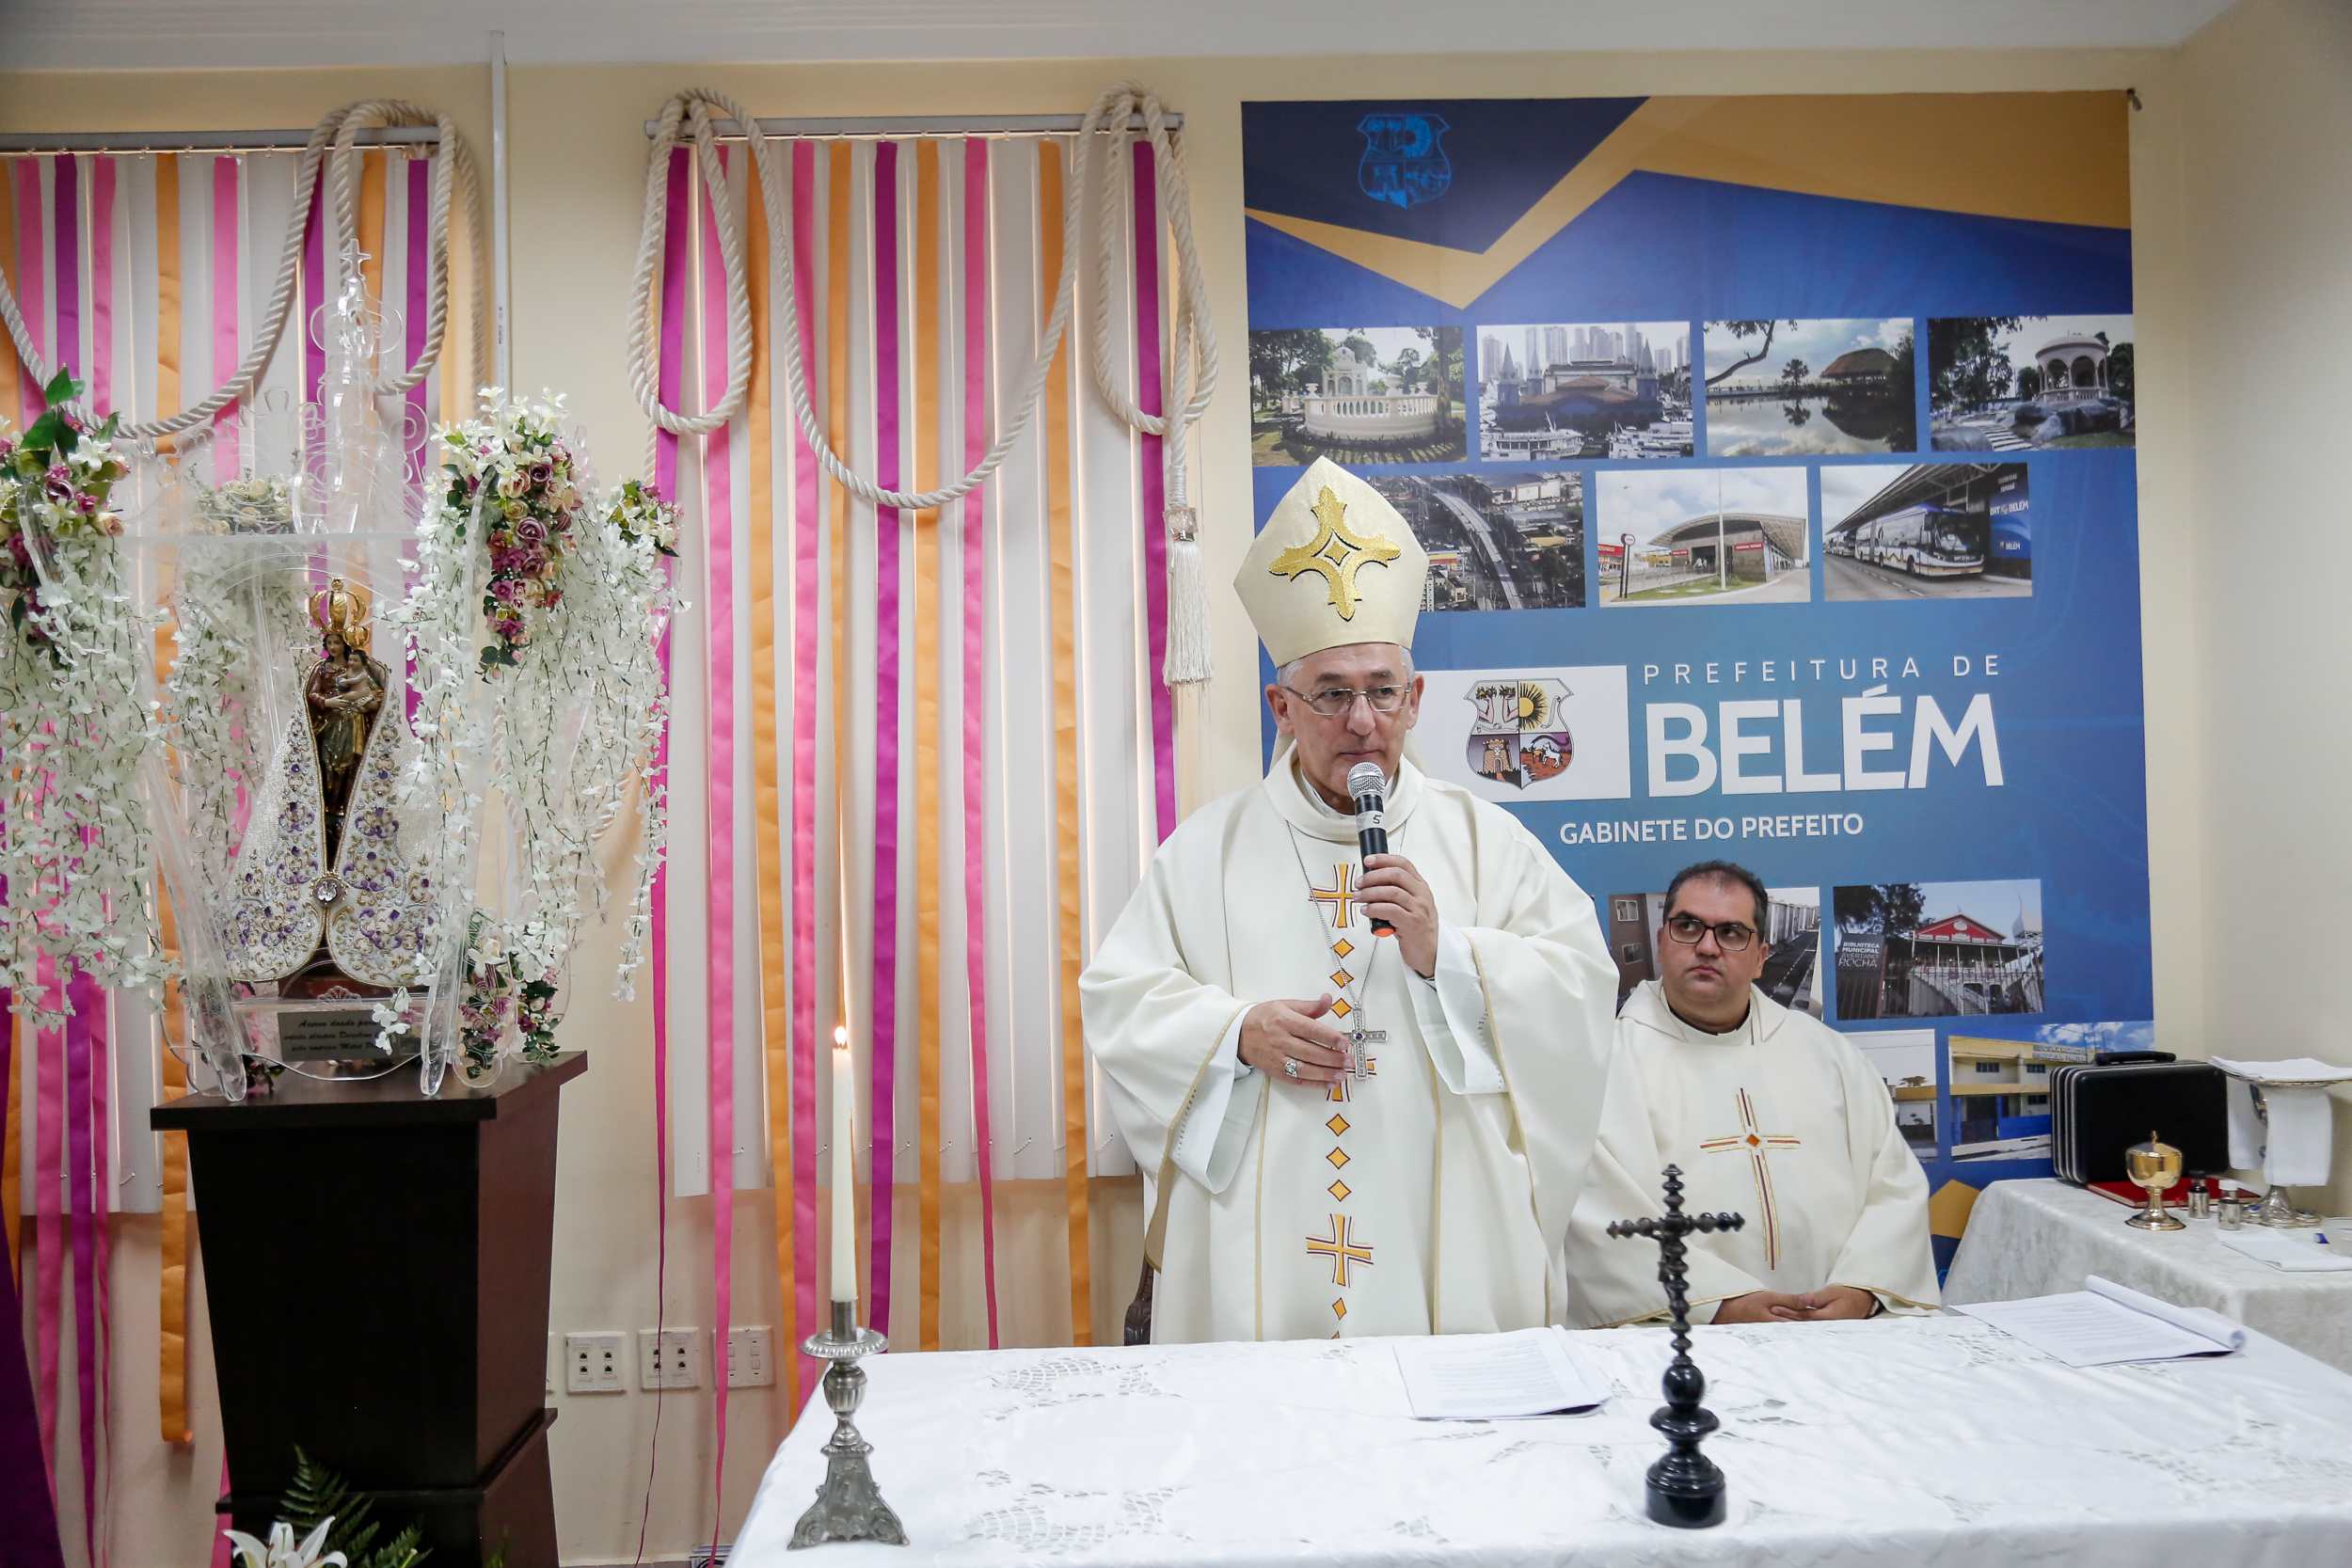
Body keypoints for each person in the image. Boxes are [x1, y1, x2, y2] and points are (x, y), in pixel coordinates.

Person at [1082, 458, 1618, 1343]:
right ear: (1281, 706)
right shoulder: (1206, 852)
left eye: (1381, 691)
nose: (1361, 720)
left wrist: (1450, 954)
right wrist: (1234, 1033)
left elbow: (1580, 992)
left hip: (1436, 1224)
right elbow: (1119, 999)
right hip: (1263, 1230)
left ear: (1416, 700)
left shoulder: (1487, 843)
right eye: (1332, 693)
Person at [1563, 860, 1938, 1326]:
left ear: (1761, 957)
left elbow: (1893, 1185)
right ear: (1661, 942)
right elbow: (1593, 1212)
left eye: (1731, 933)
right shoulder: (1607, 1065)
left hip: (1837, 1333)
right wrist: (1718, 1303)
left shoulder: (1831, 1056)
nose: (1707, 947)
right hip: (1684, 1336)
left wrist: (1863, 1288)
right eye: (1687, 927)